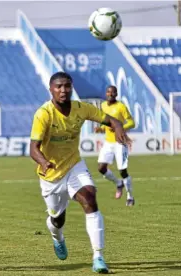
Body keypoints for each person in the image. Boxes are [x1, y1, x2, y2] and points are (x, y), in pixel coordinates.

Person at [30, 72, 130, 274]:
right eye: (58, 86)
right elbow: (33, 148)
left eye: (67, 86)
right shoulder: (43, 114)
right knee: (57, 219)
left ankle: (98, 256)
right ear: (50, 89)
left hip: (74, 165)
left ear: (71, 87)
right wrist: (43, 162)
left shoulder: (81, 108)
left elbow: (110, 120)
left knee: (90, 198)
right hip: (50, 175)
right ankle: (57, 237)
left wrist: (118, 127)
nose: (63, 90)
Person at [94, 86, 135, 206]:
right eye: (108, 92)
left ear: (116, 94)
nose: (110, 94)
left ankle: (130, 197)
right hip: (108, 142)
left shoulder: (121, 106)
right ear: (106, 93)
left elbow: (132, 122)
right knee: (101, 168)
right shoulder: (103, 106)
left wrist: (119, 128)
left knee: (123, 171)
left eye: (113, 92)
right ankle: (118, 183)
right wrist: (101, 129)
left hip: (120, 142)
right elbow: (106, 124)